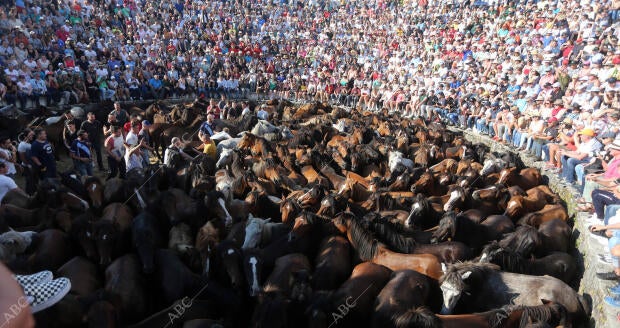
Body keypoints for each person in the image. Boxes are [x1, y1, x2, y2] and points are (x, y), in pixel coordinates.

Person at [17, 128, 36, 195]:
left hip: (31, 165)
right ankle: (29, 195)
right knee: (29, 182)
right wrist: (28, 165)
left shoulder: (29, 143)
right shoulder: (22, 145)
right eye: (30, 135)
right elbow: (22, 158)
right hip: (27, 167)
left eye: (32, 135)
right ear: (25, 136)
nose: (32, 136)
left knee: (33, 181)